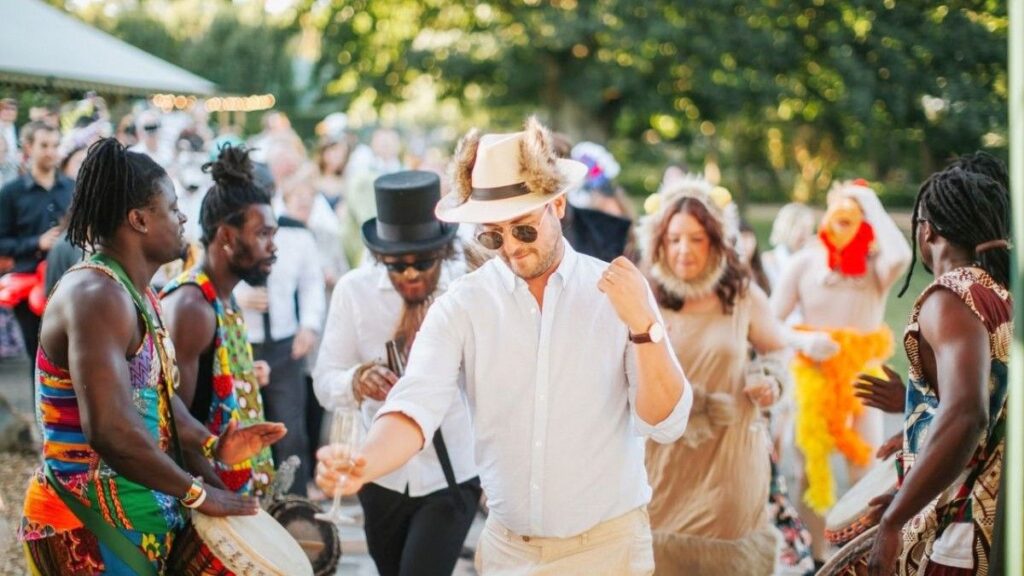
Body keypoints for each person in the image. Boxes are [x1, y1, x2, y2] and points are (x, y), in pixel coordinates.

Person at [316, 116, 692, 575]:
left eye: (523, 229)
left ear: (557, 206)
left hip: (608, 550)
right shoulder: (463, 304)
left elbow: (666, 422)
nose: (511, 247)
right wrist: (365, 462)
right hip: (508, 551)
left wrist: (643, 326)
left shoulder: (615, 291)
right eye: (492, 235)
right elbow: (416, 402)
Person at [19, 138, 285, 574]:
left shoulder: (138, 293)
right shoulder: (95, 294)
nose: (183, 217)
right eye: (172, 206)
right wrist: (198, 492)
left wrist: (212, 443)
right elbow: (109, 429)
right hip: (87, 525)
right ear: (139, 219)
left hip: (131, 519)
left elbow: (156, 399)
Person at [313, 170, 480, 575]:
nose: (409, 273)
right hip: (379, 477)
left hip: (453, 472)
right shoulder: (355, 292)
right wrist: (355, 381)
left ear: (442, 251)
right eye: (396, 264)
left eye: (422, 262)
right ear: (378, 256)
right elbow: (324, 380)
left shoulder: (467, 290)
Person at [854, 157, 1011, 576]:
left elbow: (967, 413)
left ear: (928, 229)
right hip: (999, 528)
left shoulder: (951, 296)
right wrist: (914, 403)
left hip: (962, 534)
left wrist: (894, 520)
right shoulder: (1001, 294)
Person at [638, 177, 790, 574]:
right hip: (660, 465)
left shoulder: (742, 295)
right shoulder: (644, 296)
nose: (683, 251)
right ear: (659, 242)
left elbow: (778, 351)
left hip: (728, 459)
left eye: (697, 239)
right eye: (673, 240)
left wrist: (770, 379)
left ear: (717, 242)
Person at [770, 179, 912, 565]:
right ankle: (815, 557)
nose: (848, 218)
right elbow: (767, 323)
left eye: (859, 212)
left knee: (866, 469)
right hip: (812, 378)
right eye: (843, 209)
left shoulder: (875, 266)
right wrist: (803, 342)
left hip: (863, 380)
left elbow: (901, 252)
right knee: (807, 474)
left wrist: (869, 198)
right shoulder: (804, 263)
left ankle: (862, 559)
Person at [160, 145, 279, 496]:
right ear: (227, 236)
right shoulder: (192, 304)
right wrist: (224, 502)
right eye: (263, 234)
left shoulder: (223, 297)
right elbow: (173, 420)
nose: (273, 246)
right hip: (203, 501)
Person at [235, 164, 326, 497]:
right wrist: (239, 295)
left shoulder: (295, 234)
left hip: (285, 344)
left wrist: (310, 325)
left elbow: (312, 283)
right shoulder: (228, 233)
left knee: (290, 432)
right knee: (242, 431)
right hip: (241, 342)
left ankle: (295, 509)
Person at [0, 121, 74, 368]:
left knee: (71, 353)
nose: (51, 151)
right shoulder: (11, 193)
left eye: (55, 145)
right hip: (28, 286)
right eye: (44, 145)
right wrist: (37, 242)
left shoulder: (71, 188)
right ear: (28, 147)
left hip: (68, 281)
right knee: (39, 358)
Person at [762, 202, 817, 290]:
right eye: (801, 228)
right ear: (786, 228)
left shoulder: (814, 258)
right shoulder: (768, 261)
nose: (806, 234)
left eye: (809, 228)